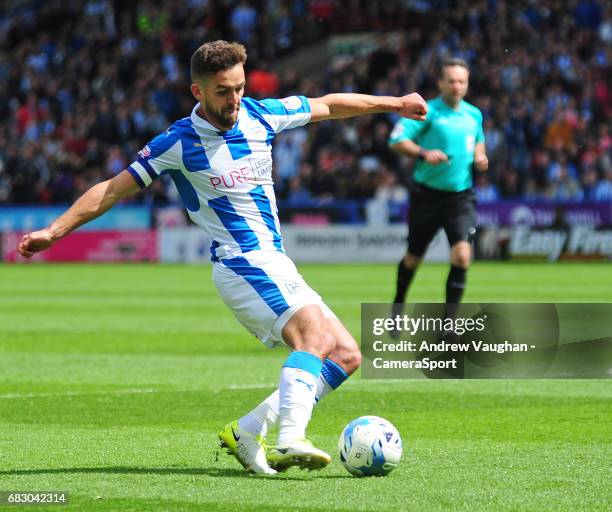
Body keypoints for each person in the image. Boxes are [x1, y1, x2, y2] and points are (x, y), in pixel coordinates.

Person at [18, 40, 427, 474]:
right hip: (240, 262)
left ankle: (248, 431)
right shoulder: (177, 142)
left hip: (274, 259)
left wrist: (395, 103)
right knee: (315, 340)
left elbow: (327, 105)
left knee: (345, 355)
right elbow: (113, 189)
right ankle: (290, 438)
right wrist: (55, 230)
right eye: (223, 91)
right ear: (198, 92)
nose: (234, 100)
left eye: (239, 88)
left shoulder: (261, 115)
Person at [388, 57, 487, 324]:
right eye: (451, 80)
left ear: (467, 84)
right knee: (413, 258)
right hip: (427, 196)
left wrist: (480, 156)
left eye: (461, 81)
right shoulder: (427, 111)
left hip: (461, 197)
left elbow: (478, 141)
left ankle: (449, 324)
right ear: (441, 83)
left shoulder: (474, 114)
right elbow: (397, 140)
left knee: (462, 255)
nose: (456, 85)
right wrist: (423, 152)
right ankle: (398, 306)